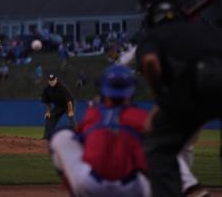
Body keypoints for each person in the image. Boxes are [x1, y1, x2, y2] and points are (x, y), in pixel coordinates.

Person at [135, 0, 222, 196]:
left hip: (198, 82)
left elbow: (150, 62)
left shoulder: (154, 37)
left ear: (148, 12)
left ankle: (186, 189)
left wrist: (162, 100)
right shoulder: (209, 31)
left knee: (158, 147)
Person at [49, 65, 151, 197]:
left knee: (61, 135)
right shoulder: (141, 116)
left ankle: (76, 192)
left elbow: (80, 139)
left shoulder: (94, 114)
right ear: (131, 91)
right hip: (132, 189)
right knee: (163, 146)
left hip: (91, 185)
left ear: (104, 90)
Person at [41, 73, 76, 139]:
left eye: (53, 80)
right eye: (50, 80)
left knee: (71, 117)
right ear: (48, 81)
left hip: (68, 105)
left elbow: (69, 101)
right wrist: (48, 112)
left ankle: (77, 135)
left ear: (56, 79)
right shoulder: (46, 89)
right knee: (49, 117)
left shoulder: (62, 88)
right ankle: (46, 137)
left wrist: (71, 111)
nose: (52, 82)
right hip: (58, 106)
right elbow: (47, 102)